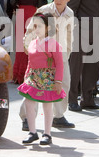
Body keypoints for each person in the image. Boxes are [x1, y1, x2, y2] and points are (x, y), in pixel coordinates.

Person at [21, 0, 75, 129]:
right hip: (41, 53)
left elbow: (70, 35)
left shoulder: (70, 13)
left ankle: (58, 116)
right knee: (34, 84)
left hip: (60, 53)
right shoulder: (44, 10)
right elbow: (31, 29)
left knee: (64, 83)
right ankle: (26, 117)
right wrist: (28, 46)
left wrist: (67, 53)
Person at [18, 13, 66, 145]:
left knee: (47, 105)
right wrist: (26, 75)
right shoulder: (32, 43)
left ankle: (47, 134)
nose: (36, 29)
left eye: (39, 26)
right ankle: (32, 132)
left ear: (47, 28)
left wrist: (58, 81)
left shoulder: (53, 44)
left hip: (47, 78)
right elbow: (30, 61)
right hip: (33, 77)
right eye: (35, 26)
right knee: (29, 102)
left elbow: (59, 64)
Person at [11, 0, 47, 84]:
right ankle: (27, 74)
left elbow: (12, 2)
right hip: (33, 13)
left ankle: (17, 75)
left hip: (20, 13)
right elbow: (42, 3)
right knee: (31, 44)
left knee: (20, 45)